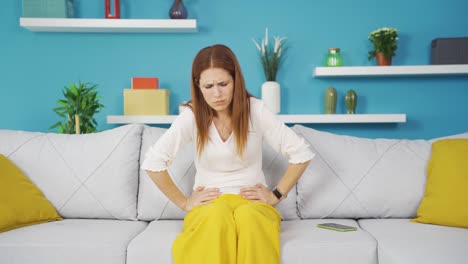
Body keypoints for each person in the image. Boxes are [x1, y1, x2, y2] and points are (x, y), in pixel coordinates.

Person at [141, 44, 314, 264]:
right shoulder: (191, 115)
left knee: (249, 218)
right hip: (210, 207)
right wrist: (184, 203)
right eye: (209, 86)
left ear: (236, 80)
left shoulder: (255, 110)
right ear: (198, 85)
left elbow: (301, 153)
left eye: (224, 84)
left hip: (252, 204)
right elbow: (153, 162)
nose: (217, 94)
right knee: (217, 217)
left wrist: (276, 195)